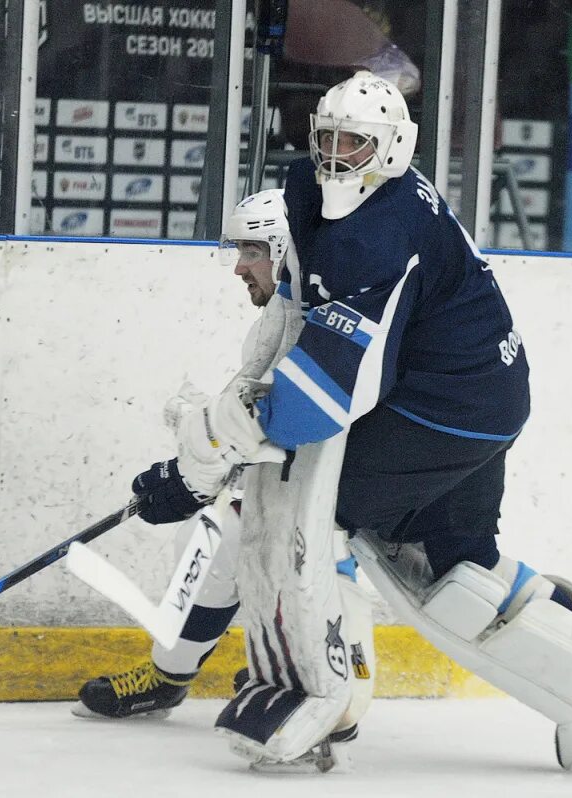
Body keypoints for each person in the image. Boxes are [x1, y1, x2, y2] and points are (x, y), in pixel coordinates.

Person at [130, 70, 572, 772]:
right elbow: (298, 312)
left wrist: (199, 461)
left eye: (354, 144)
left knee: (306, 514)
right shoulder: (315, 194)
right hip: (483, 398)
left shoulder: (383, 236)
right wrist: (213, 449)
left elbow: (319, 405)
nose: (335, 156)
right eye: (326, 138)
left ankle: (320, 699)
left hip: (443, 412)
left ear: (393, 148)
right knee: (458, 573)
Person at [75, 190, 376, 768]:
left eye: (253, 251)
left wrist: (196, 469)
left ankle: (331, 696)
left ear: (286, 249)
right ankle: (173, 677)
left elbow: (306, 421)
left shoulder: (332, 314)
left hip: (376, 479)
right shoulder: (288, 313)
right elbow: (264, 416)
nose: (240, 266)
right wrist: (199, 466)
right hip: (329, 471)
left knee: (314, 542)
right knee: (232, 530)